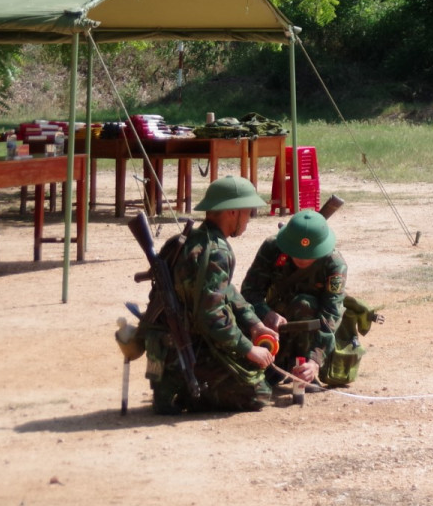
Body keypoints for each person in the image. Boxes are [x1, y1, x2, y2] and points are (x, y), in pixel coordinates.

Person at [148, 176, 277, 414]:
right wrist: (248, 348)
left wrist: (254, 323)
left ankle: (173, 387)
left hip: (168, 347)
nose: (249, 219)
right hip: (189, 349)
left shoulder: (192, 241)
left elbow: (226, 291)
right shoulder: (217, 251)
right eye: (247, 212)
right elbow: (212, 314)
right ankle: (188, 392)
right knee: (259, 393)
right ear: (231, 213)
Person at [243, 209, 347, 387]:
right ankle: (274, 364)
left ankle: (302, 367)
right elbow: (249, 293)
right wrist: (266, 313)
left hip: (313, 328)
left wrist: (314, 361)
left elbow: (331, 314)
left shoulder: (333, 264)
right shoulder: (272, 248)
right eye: (296, 252)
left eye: (309, 255)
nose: (302, 259)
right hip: (273, 327)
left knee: (304, 304)